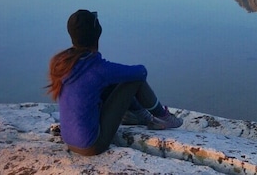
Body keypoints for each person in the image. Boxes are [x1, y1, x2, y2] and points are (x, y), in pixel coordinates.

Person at [47, 9, 183, 155]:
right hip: (93, 145)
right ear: (97, 32)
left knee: (111, 83)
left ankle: (138, 117)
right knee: (133, 80)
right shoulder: (97, 68)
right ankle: (164, 117)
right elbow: (141, 72)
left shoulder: (64, 62)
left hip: (70, 140)